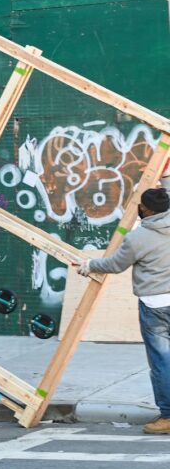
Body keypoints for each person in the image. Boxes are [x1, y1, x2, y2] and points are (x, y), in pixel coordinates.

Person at [78, 177, 170, 435]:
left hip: (155, 306)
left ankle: (168, 417)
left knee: (162, 362)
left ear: (147, 211)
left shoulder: (138, 237)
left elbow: (116, 264)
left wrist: (90, 265)